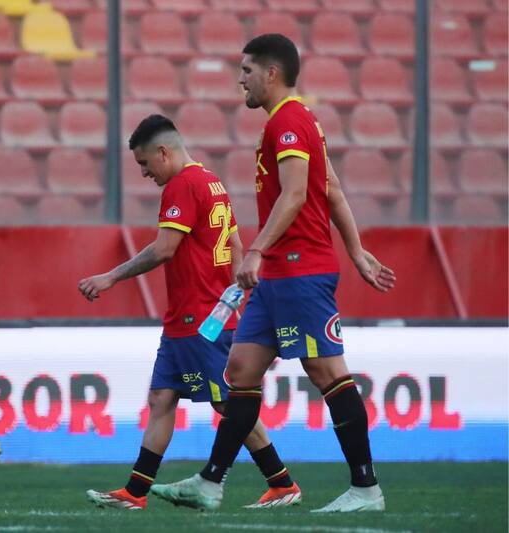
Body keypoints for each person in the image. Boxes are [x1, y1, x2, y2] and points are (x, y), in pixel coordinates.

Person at [150, 34, 396, 513]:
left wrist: (257, 250)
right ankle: (210, 483)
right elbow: (332, 189)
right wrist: (356, 250)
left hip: (299, 270)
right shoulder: (297, 123)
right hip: (276, 277)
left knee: (326, 371)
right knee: (241, 370)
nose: (240, 79)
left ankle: (366, 488)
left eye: (246, 70)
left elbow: (298, 193)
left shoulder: (289, 121)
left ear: (271, 73)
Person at [78, 114, 301, 511]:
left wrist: (111, 276)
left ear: (163, 152)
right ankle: (136, 492)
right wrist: (234, 296)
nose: (144, 173)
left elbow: (165, 248)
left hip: (199, 319)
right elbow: (235, 243)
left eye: (145, 163)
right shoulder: (211, 181)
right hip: (193, 315)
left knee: (227, 404)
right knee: (162, 397)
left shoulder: (182, 185)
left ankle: (281, 482)